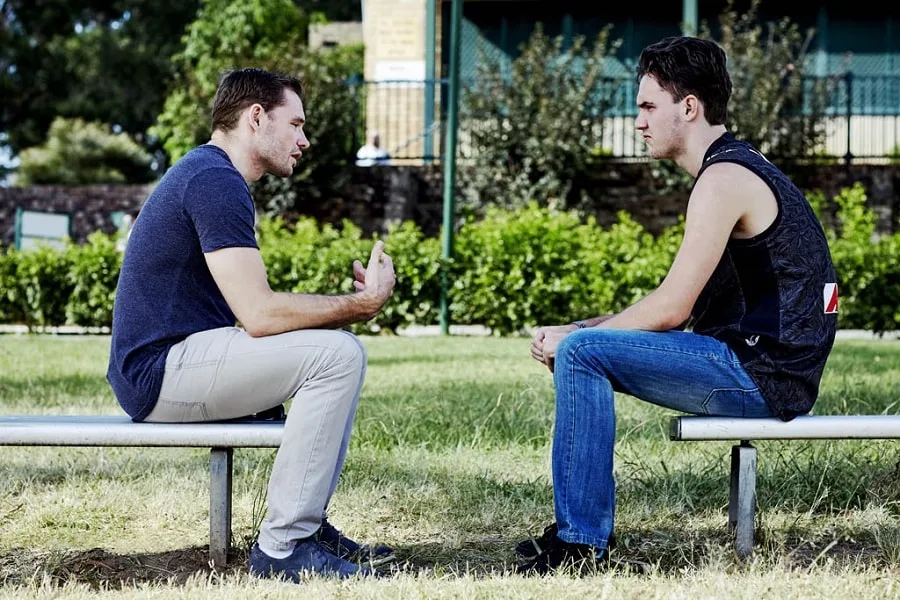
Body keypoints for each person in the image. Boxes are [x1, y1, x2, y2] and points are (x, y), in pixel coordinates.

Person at [516, 36, 838, 575]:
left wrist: (576, 339)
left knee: (583, 354)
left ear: (689, 107)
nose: (638, 121)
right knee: (585, 346)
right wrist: (581, 326)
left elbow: (669, 310)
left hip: (763, 376)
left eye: (647, 106)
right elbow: (681, 310)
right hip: (762, 365)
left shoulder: (723, 180)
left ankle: (580, 544)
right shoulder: (735, 167)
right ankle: (579, 533)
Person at [106, 67, 397, 582]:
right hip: (157, 372)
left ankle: (305, 524)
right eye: (297, 124)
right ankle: (285, 547)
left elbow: (251, 313)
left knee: (332, 348)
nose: (304, 140)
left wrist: (340, 315)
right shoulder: (214, 180)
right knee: (338, 354)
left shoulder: (211, 174)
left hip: (170, 363)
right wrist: (362, 304)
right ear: (256, 117)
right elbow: (259, 315)